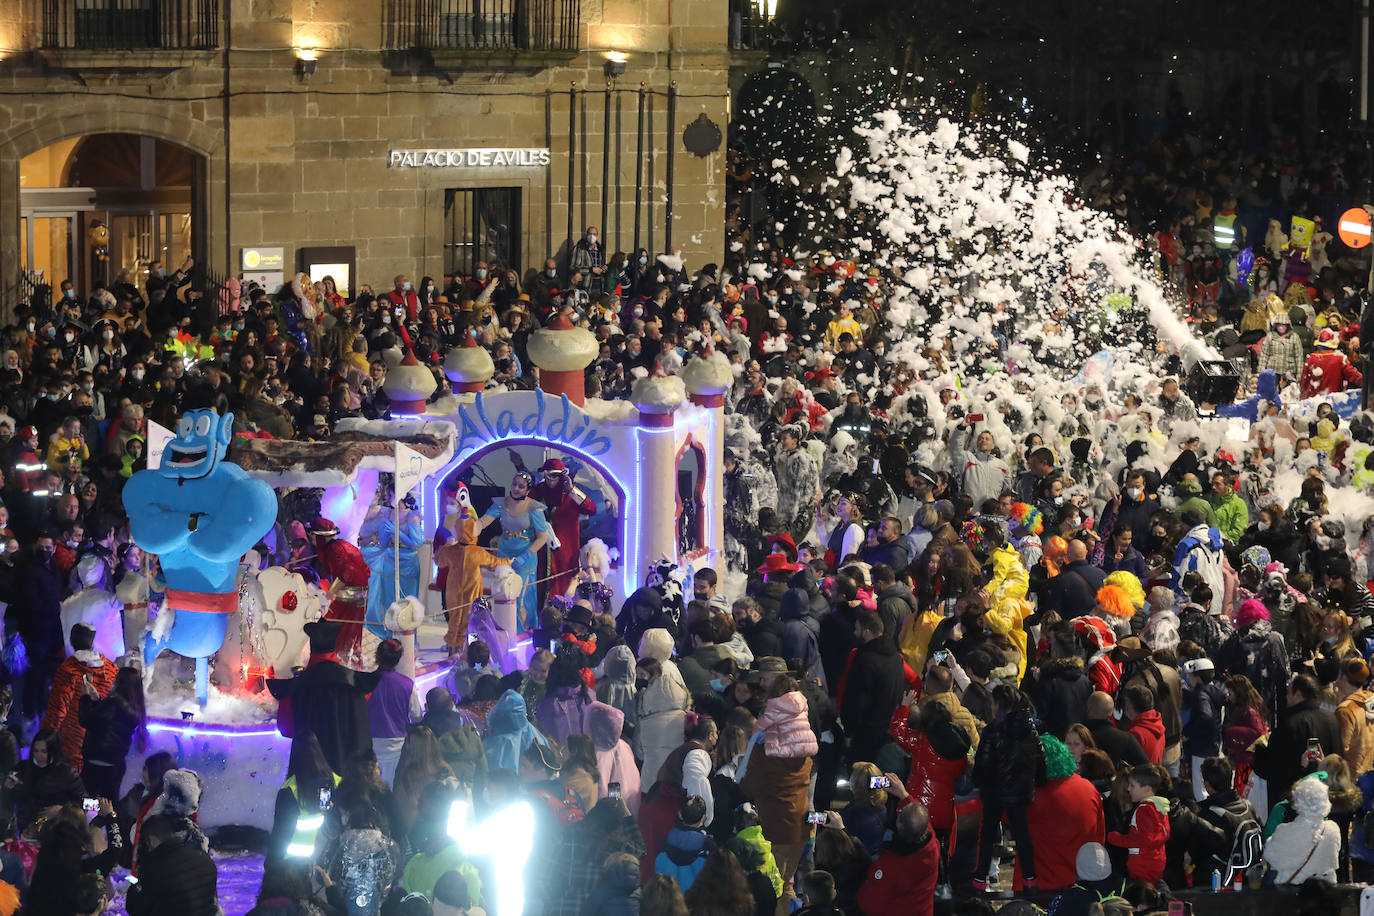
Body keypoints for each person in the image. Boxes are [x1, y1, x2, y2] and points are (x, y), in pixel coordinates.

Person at [268, 619, 383, 772]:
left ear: (310, 650)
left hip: (312, 770)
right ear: (334, 647)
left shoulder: (296, 687)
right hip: (351, 772)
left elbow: (286, 728)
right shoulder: (356, 684)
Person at [970, 685, 1044, 894]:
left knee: (987, 836)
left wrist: (979, 782)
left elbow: (982, 763)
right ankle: (1030, 880)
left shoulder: (992, 730)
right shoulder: (1029, 728)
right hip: (1020, 793)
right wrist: (1037, 782)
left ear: (999, 704)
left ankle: (979, 880)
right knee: (1022, 836)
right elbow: (1040, 758)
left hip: (994, 793)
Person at [1253, 673, 1342, 802]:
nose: (1286, 697)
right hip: (1326, 796)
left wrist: (1260, 752)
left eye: (1289, 693)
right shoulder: (1331, 720)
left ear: (1298, 695)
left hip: (1295, 801)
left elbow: (1273, 767)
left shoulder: (1290, 724)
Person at [43, 622, 118, 770]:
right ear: (92, 642)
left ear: (71, 641)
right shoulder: (111, 668)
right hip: (102, 741)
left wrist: (45, 736)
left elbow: (58, 710)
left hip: (74, 743)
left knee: (74, 786)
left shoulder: (68, 670)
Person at [838, 610, 906, 765]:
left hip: (865, 736)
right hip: (886, 732)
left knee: (861, 779)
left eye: (857, 629)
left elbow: (856, 701)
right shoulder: (896, 658)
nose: (855, 633)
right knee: (876, 779)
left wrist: (849, 732)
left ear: (866, 631)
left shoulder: (865, 661)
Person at [77, 661, 146, 801]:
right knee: (108, 805)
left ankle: (87, 822)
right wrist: (97, 700)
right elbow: (108, 721)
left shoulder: (113, 703)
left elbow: (87, 720)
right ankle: (108, 822)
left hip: (95, 762)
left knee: (87, 803)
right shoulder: (135, 709)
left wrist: (85, 698)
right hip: (115, 764)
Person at [125, 813, 219, 916]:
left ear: (152, 839)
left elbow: (136, 909)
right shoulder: (204, 858)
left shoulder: (155, 869)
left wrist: (134, 888)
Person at [855, 803, 940, 916]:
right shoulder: (933, 846)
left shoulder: (889, 865)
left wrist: (860, 888)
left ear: (899, 824)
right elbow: (920, 821)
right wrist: (904, 795)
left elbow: (870, 906)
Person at [1263, 775, 1341, 884]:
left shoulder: (1285, 831)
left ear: (1297, 800)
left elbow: (1269, 855)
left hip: (1294, 893)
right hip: (1325, 890)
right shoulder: (1333, 829)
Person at [1105, 764, 1170, 887]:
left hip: (1141, 865)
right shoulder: (1159, 808)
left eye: (1132, 785)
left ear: (1146, 788)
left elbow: (1143, 839)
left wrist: (1115, 838)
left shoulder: (1143, 810)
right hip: (1156, 861)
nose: (1128, 789)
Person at [368, 637, 421, 784]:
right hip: (398, 745)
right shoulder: (407, 684)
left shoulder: (364, 682)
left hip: (370, 743)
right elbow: (417, 716)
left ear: (377, 656)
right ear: (398, 659)